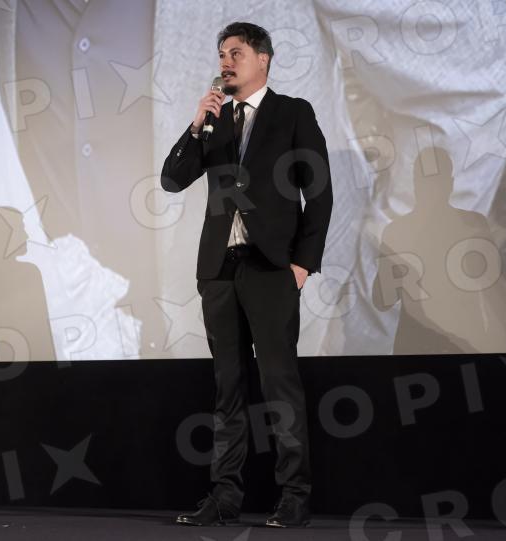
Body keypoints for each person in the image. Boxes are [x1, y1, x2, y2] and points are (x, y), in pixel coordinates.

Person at [162, 22, 332, 527]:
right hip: (219, 269)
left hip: (271, 267)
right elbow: (172, 180)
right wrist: (196, 124)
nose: (225, 61)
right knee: (228, 387)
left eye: (235, 52)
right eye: (221, 53)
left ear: (263, 59)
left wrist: (302, 264)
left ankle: (294, 495)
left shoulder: (292, 113)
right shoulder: (215, 121)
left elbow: (319, 195)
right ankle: (225, 496)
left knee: (280, 384)